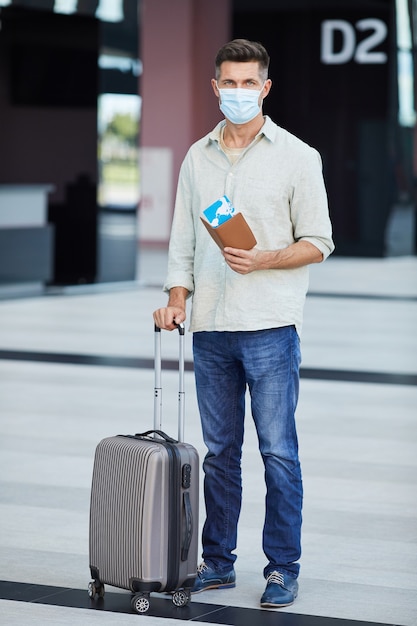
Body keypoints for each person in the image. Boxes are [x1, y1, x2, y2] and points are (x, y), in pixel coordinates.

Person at [153, 38, 334, 609]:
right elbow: (182, 241)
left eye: (247, 83)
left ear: (265, 87)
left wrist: (264, 259)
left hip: (271, 326)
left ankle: (282, 567)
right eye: (227, 83)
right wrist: (177, 299)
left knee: (279, 451)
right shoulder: (196, 157)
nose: (237, 93)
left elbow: (320, 242)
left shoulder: (299, 157)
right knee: (220, 452)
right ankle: (218, 562)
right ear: (215, 87)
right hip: (209, 326)